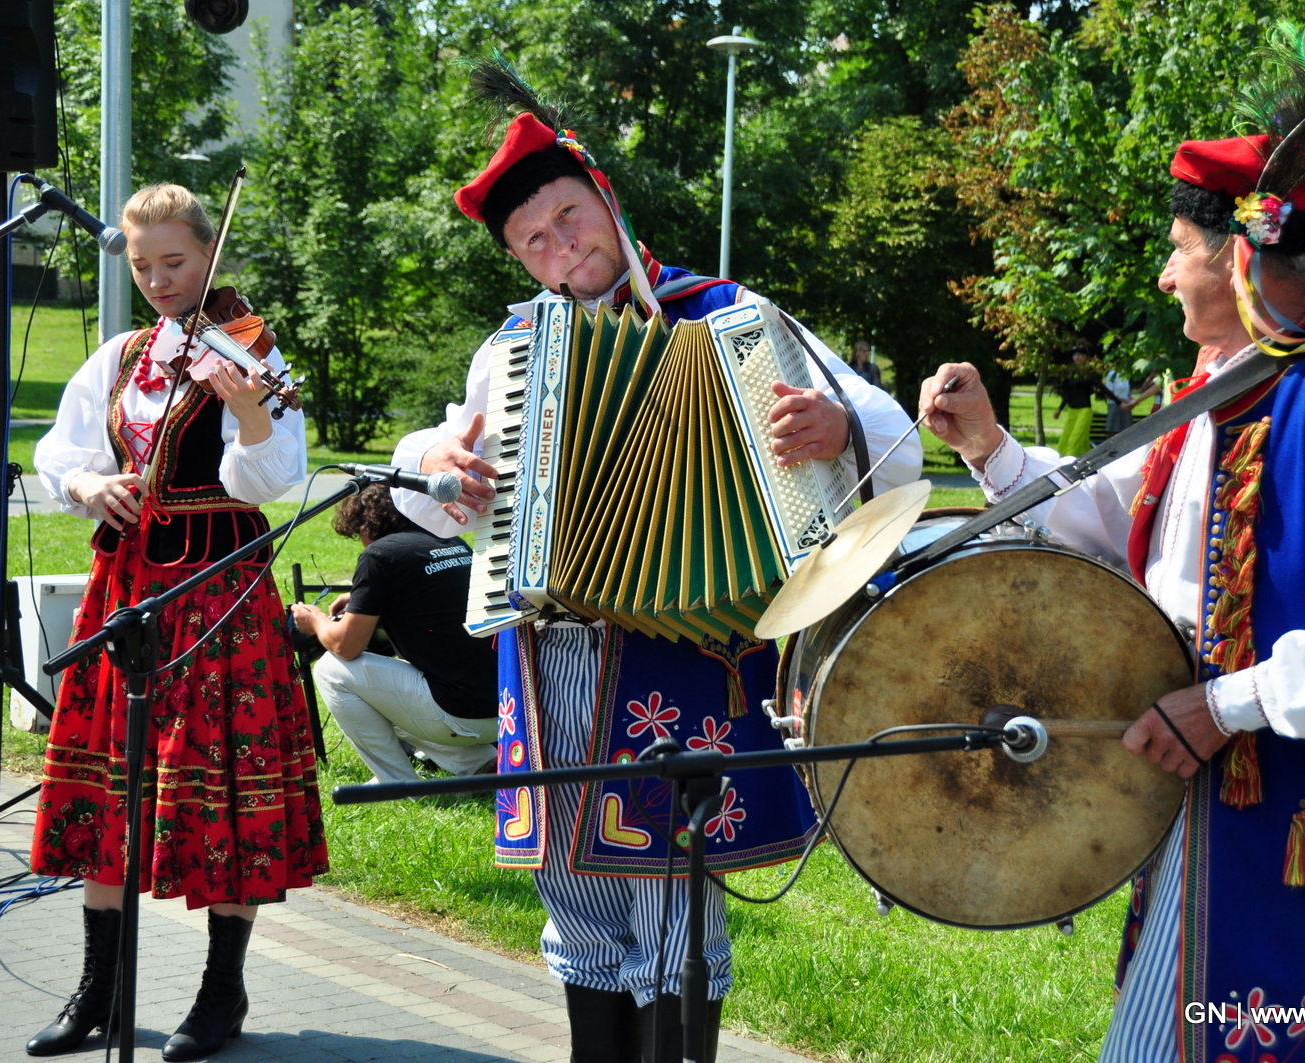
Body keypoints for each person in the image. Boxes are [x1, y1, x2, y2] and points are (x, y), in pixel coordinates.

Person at [919, 22, 1305, 1063]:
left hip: (1301, 826)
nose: (1168, 277)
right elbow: (1102, 526)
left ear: (1239, 254)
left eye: (1178, 252)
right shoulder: (1216, 401)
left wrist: (1224, 704)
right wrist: (988, 445)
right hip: (1198, 794)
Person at [390, 61, 920, 1063]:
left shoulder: (730, 316)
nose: (558, 246)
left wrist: (837, 422)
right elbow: (444, 484)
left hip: (683, 655)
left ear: (606, 202)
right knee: (576, 898)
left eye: (567, 215)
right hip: (547, 661)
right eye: (531, 240)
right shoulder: (510, 351)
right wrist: (436, 465)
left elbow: (892, 443)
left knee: (672, 901)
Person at [27, 184, 327, 1061]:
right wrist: (89, 485)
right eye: (143, 263)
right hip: (127, 589)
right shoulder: (123, 354)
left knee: (224, 784)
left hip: (221, 590)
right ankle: (99, 990)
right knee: (110, 777)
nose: (159, 279)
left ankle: (220, 989)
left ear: (209, 256)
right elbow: (63, 448)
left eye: (176, 262)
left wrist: (247, 408)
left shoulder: (251, 351)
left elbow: (270, 481)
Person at [291, 485, 498, 780]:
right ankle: (480, 763)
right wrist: (367, 599)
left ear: (367, 525)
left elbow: (346, 646)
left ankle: (396, 783)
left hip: (458, 715)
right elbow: (429, 598)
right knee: (390, 690)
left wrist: (317, 621)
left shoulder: (379, 554)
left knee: (330, 669)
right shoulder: (450, 541)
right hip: (503, 710)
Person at [1051, 350, 1098, 456]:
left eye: (1080, 355)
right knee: (1066, 439)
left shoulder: (1089, 372)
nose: (1077, 357)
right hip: (1072, 410)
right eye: (1075, 355)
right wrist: (1060, 409)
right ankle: (1084, 459)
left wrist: (1119, 402)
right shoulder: (1072, 372)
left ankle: (1071, 462)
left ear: (1085, 357)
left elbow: (1101, 387)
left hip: (1084, 410)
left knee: (1074, 440)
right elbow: (1069, 393)